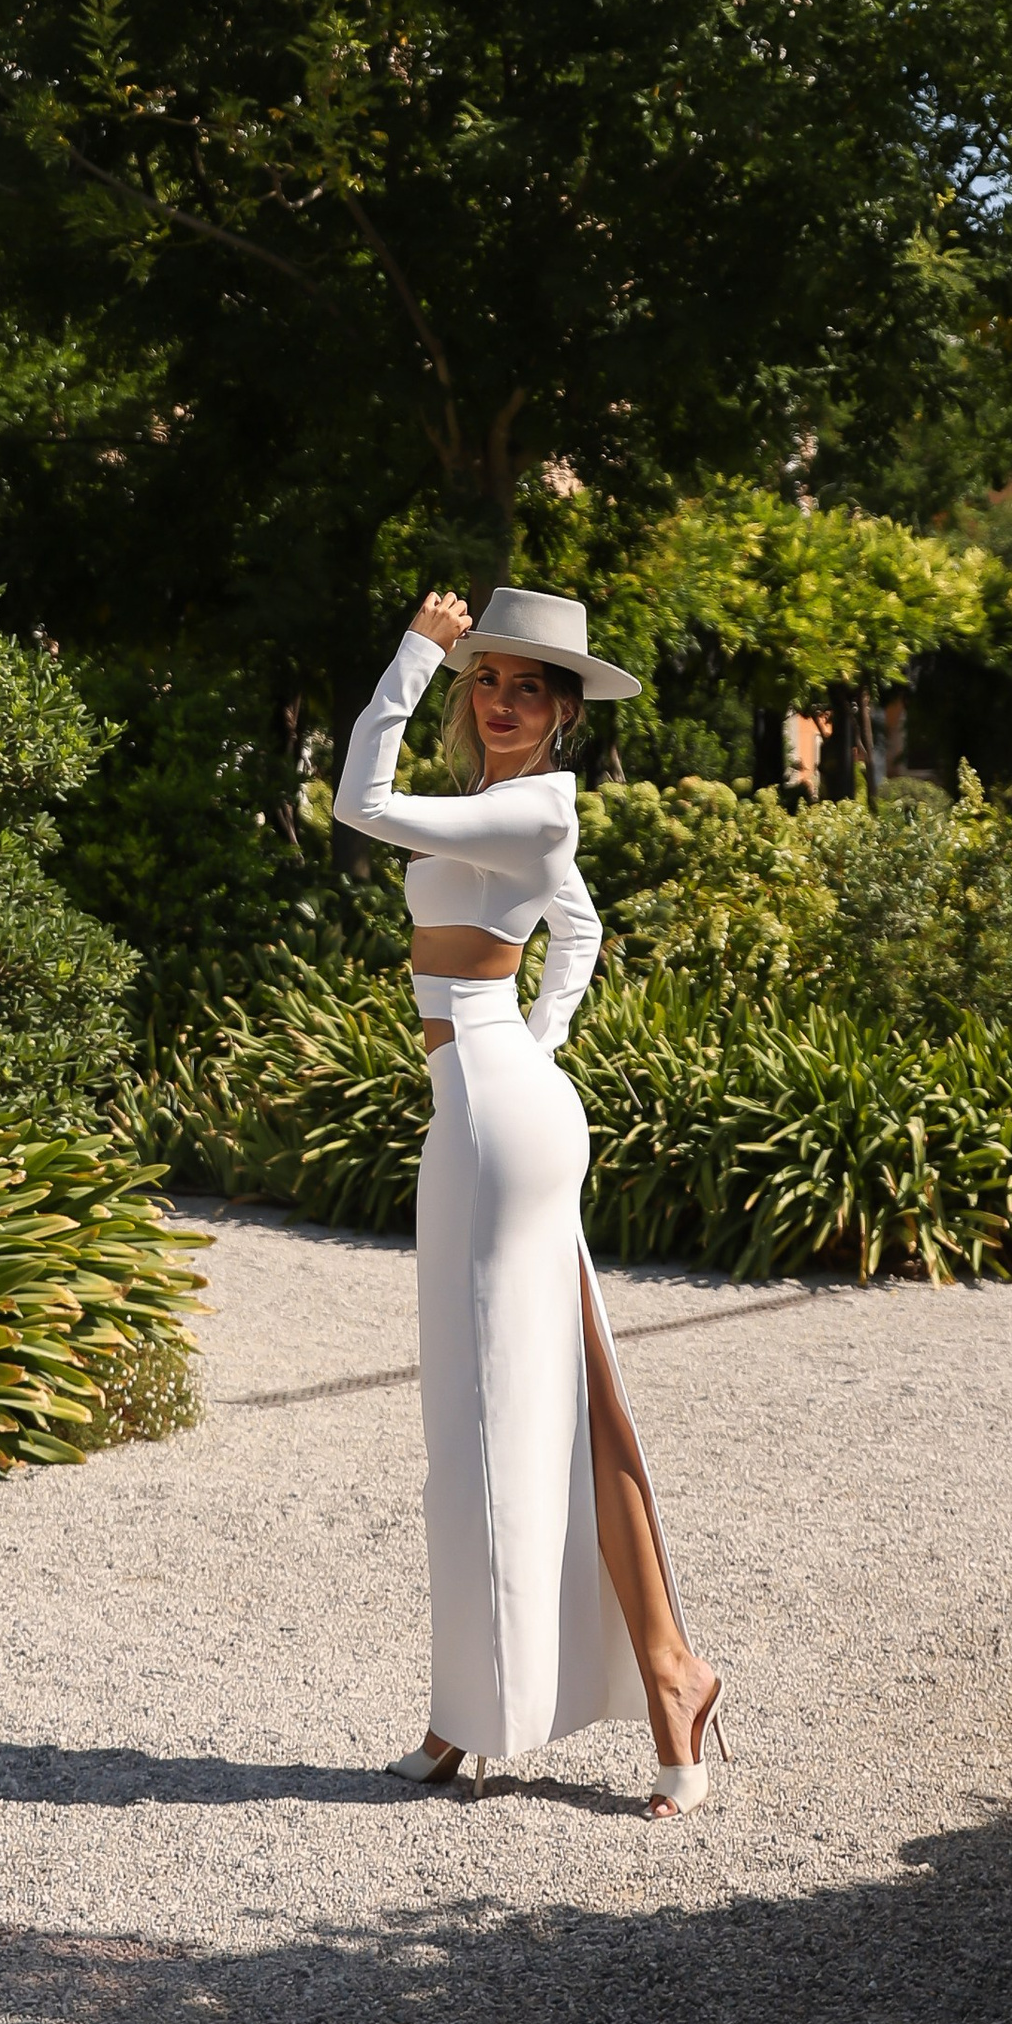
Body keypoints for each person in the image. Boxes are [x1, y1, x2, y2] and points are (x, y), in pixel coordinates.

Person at [333, 581, 727, 1816]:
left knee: (499, 1418)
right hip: (491, 1104)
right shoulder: (508, 808)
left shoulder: (537, 807)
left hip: (496, 1114)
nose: (500, 702)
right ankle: (645, 1676)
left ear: (564, 711)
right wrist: (533, 1042)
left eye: (527, 687)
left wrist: (411, 651)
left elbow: (357, 804)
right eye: (485, 681)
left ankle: (597, 1690)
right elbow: (585, 931)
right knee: (531, 1407)